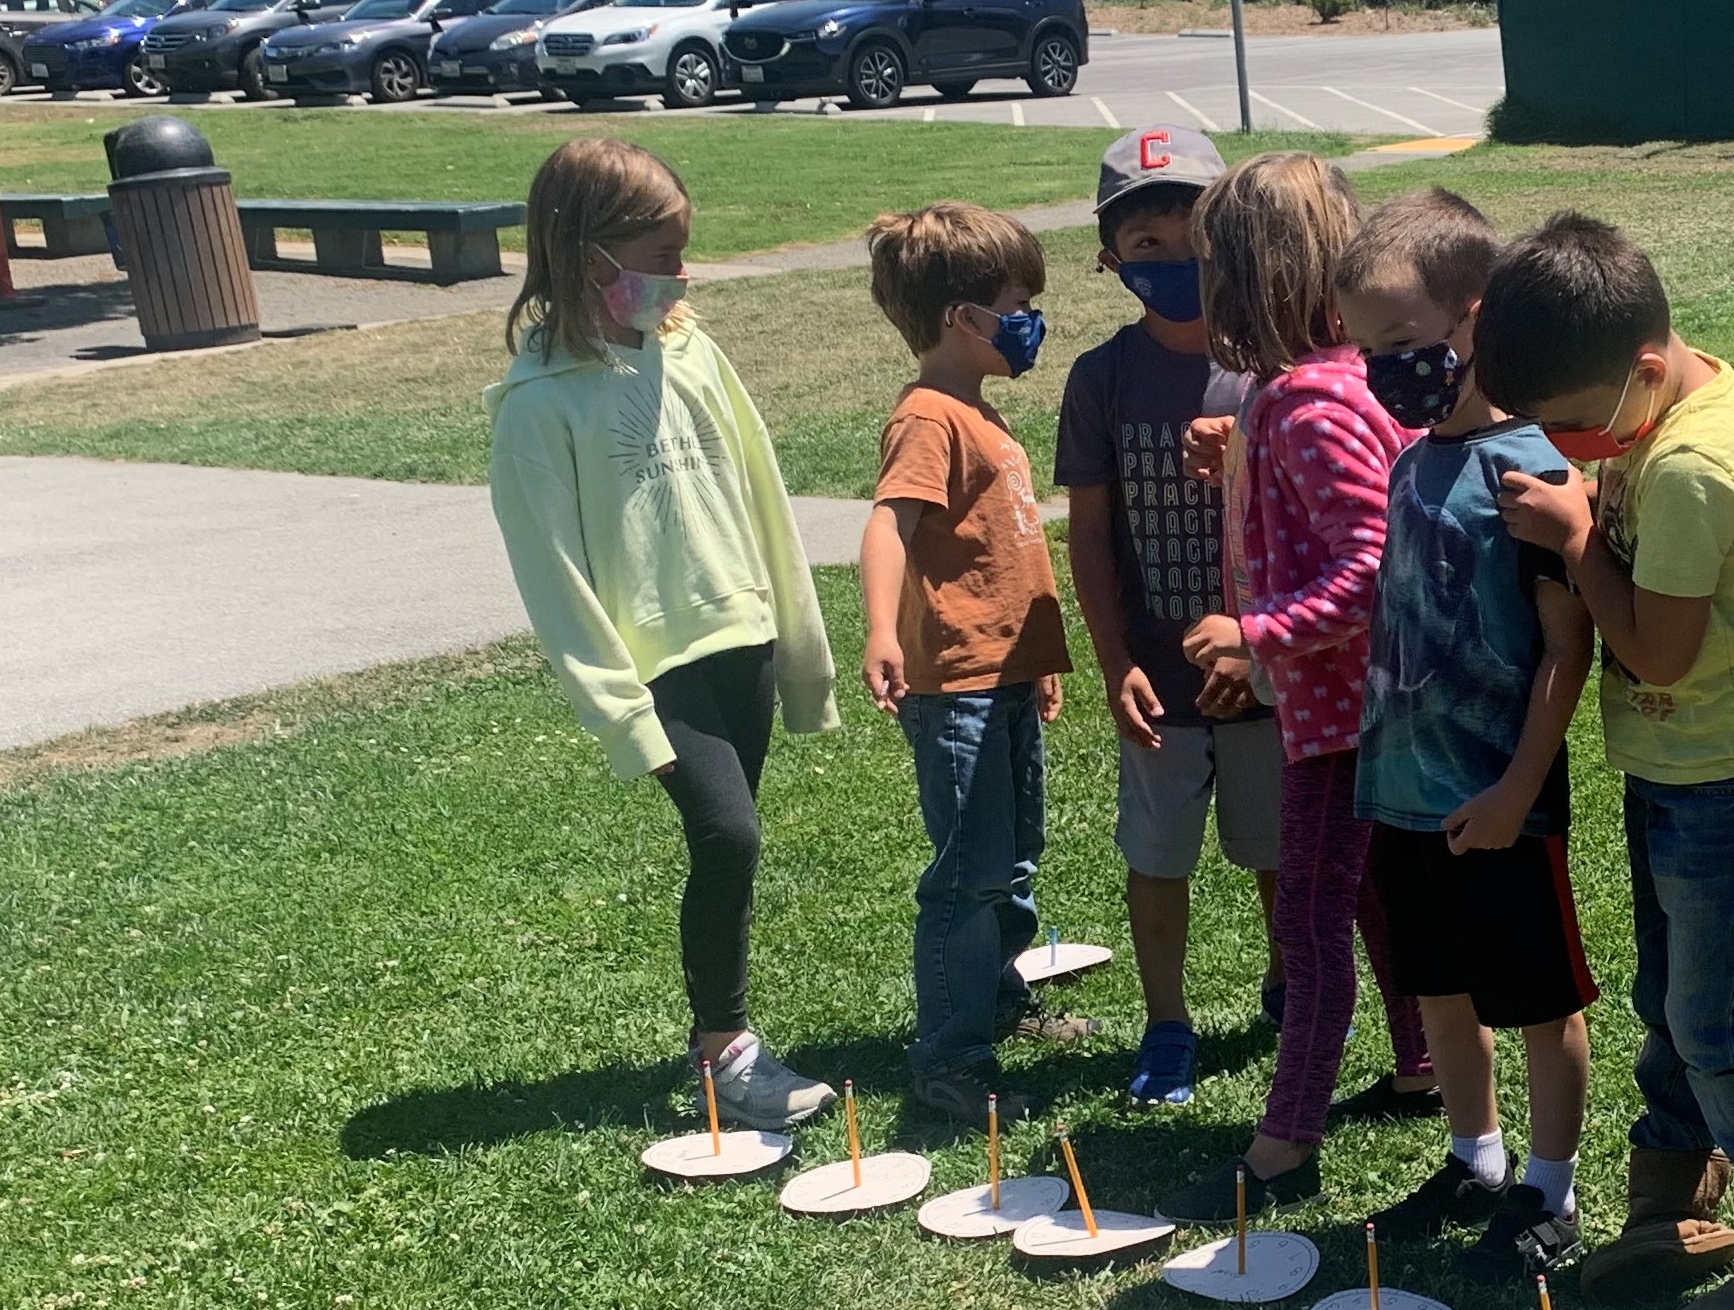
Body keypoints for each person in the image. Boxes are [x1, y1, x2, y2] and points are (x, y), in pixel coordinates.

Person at [1484, 213, 1734, 1310]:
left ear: (1643, 371)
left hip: (1730, 781)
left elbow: (1657, 651)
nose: (1565, 444)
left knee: (1716, 1020)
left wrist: (1576, 536)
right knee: (1670, 1002)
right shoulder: (1672, 404)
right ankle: (1672, 1202)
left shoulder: (1690, 463)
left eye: (1576, 423)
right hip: (1678, 766)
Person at [485, 136, 840, 1129]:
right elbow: (551, 576)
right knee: (728, 832)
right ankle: (723, 1050)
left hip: (744, 640)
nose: (678, 275)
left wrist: (797, 649)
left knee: (731, 850)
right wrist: (621, 714)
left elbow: (759, 495)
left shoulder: (694, 351)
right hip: (657, 669)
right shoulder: (535, 406)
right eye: (660, 255)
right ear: (586, 255)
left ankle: (723, 1037)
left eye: (683, 252)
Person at [1148, 153, 1426, 1221]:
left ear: (1253, 278)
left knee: (1308, 918)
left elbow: (1372, 560)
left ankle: (1284, 1136)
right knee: (1365, 894)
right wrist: (1245, 466)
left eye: (1210, 262)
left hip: (1342, 716)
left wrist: (1256, 629)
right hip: (1362, 708)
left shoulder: (1308, 406)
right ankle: (1417, 1064)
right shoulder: (1330, 387)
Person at [1337, 191, 1602, 1276]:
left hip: (1496, 796)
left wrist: (1513, 789)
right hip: (1400, 789)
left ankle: (1550, 1184)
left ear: (1474, 320)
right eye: (1365, 349)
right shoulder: (1408, 464)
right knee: (1438, 989)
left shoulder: (1532, 470)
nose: (1382, 368)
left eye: (1401, 343)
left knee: (1538, 999)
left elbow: (1564, 649)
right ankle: (1473, 1154)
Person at [1052, 126, 1291, 1107]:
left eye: (1189, 232)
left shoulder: (1273, 368)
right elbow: (1094, 535)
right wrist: (1114, 663)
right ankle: (1166, 1020)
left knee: (1277, 848)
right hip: (1157, 673)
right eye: (1142, 245)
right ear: (1109, 258)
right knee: (1157, 858)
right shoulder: (1100, 378)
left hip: (1267, 670)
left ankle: (1296, 985)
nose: (1171, 260)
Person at [855, 202, 1073, 1124]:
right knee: (967, 873)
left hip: (1008, 677)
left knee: (1013, 859)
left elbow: (1007, 551)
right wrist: (880, 630)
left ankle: (998, 1000)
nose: (1031, 321)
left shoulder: (978, 414)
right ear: (963, 318)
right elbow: (887, 525)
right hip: (958, 691)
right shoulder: (928, 419)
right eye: (1017, 303)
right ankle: (951, 1058)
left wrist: (1039, 657)